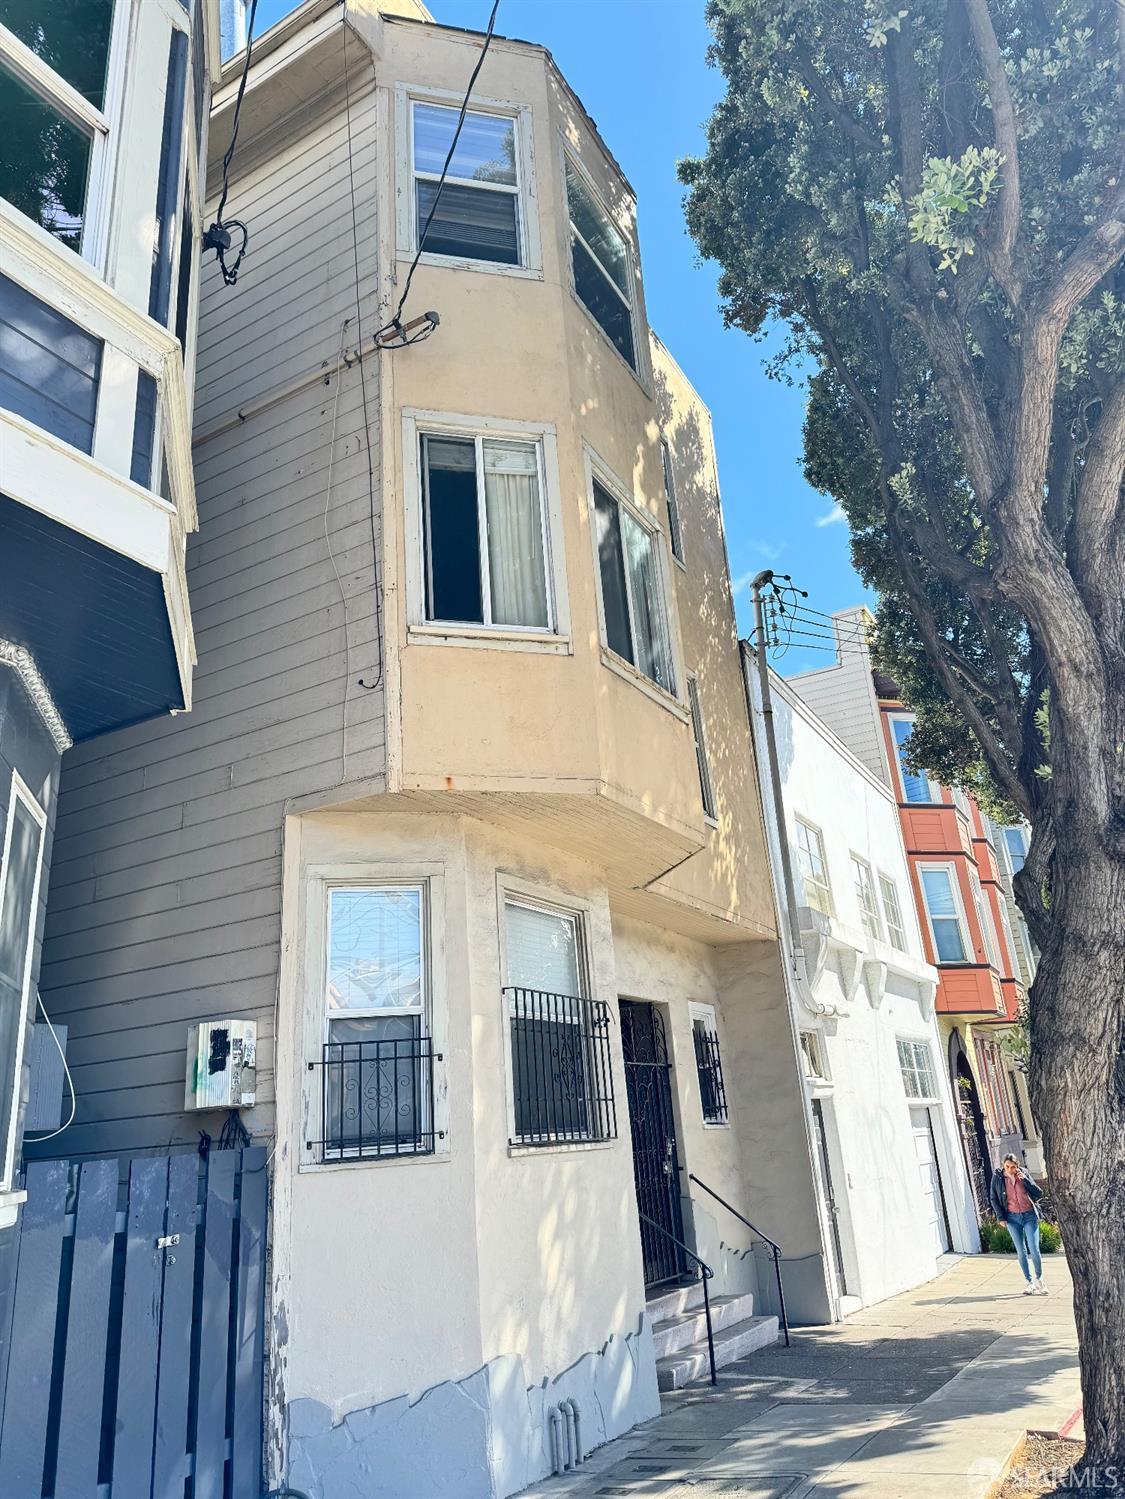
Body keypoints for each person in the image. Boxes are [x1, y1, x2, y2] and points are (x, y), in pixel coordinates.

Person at [989, 1153, 1047, 1294]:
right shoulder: (997, 1178)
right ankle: (1029, 1282)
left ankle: (1039, 1279)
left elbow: (1038, 1193)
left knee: (1034, 1248)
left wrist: (1026, 1180)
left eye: (1013, 1167)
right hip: (1012, 1218)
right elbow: (994, 1198)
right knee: (1021, 1251)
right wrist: (1001, 1217)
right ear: (1003, 1165)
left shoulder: (1024, 1174)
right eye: (1007, 1166)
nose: (1010, 1170)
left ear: (1017, 1166)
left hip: (1029, 1216)